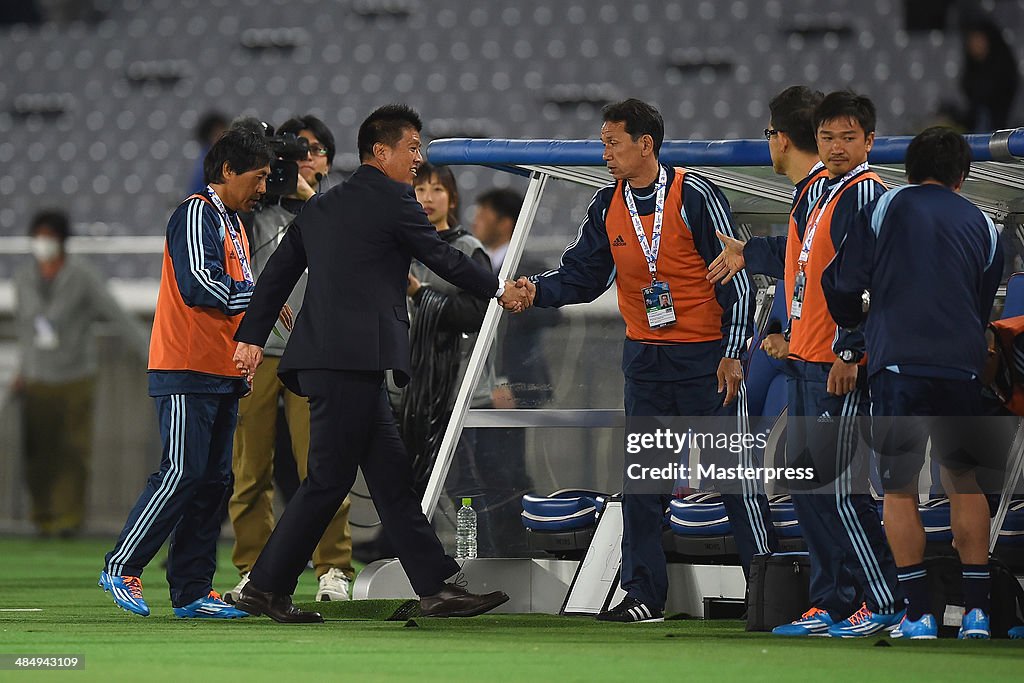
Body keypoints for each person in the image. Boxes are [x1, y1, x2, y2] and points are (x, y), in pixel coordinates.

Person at [231, 104, 520, 623]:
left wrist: (252, 337)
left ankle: (436, 586)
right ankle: (266, 587)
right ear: (380, 151)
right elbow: (442, 257)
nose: (419, 160)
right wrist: (501, 288)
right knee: (326, 481)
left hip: (330, 361)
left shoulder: (321, 207)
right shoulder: (393, 199)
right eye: (413, 148)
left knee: (390, 481)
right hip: (351, 361)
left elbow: (274, 276)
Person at [514, 98, 778, 623]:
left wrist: (733, 355)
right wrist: (535, 291)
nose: (605, 153)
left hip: (708, 361)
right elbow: (582, 276)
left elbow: (739, 280)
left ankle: (768, 592)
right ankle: (642, 597)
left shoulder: (695, 194)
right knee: (642, 484)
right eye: (603, 142)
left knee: (735, 481)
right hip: (647, 361)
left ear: (645, 144)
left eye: (613, 142)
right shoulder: (605, 204)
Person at [711, 90, 904, 638]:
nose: (837, 146)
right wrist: (779, 319)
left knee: (837, 490)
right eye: (827, 137)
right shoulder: (819, 192)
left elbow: (873, 284)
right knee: (807, 486)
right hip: (805, 359)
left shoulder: (868, 196)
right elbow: (800, 260)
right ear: (814, 139)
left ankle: (883, 600)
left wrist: (851, 348)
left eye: (848, 137)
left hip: (835, 365)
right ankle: (832, 601)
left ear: (869, 141)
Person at [823, 127, 1003, 640]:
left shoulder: (884, 206)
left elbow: (839, 282)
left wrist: (855, 327)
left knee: (899, 490)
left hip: (899, 365)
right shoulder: (986, 225)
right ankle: (977, 614)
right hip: (963, 368)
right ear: (963, 176)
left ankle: (920, 613)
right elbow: (981, 299)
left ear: (909, 167)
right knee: (964, 485)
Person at [98, 129, 272, 619]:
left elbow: (237, 296)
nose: (263, 188)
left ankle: (192, 590)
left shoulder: (234, 225)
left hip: (218, 366)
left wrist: (250, 343)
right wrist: (262, 299)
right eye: (258, 178)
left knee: (213, 482)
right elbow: (200, 287)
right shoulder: (196, 212)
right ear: (227, 172)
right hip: (186, 363)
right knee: (181, 472)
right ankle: (121, 565)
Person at [225, 115, 355, 604]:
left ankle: (333, 569)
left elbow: (353, 240)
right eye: (294, 150)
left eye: (316, 149)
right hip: (256, 352)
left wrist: (306, 197)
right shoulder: (252, 209)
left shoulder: (334, 207)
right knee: (250, 469)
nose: (305, 157)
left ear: (329, 159)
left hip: (316, 351)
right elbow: (219, 188)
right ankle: (254, 569)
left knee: (322, 465)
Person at [13, 210, 149, 537]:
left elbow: (115, 314)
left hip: (74, 376)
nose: (42, 243)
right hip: (36, 377)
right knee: (37, 453)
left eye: (48, 236)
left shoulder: (82, 276)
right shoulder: (23, 278)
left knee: (73, 452)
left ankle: (68, 520)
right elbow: (24, 330)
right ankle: (42, 517)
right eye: (38, 235)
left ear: (61, 240)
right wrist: (20, 370)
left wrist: (153, 352)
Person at [960, 20, 1019, 133]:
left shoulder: (1003, 70)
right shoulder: (971, 70)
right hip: (975, 127)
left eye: (979, 40)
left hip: (1002, 128)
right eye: (971, 41)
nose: (975, 45)